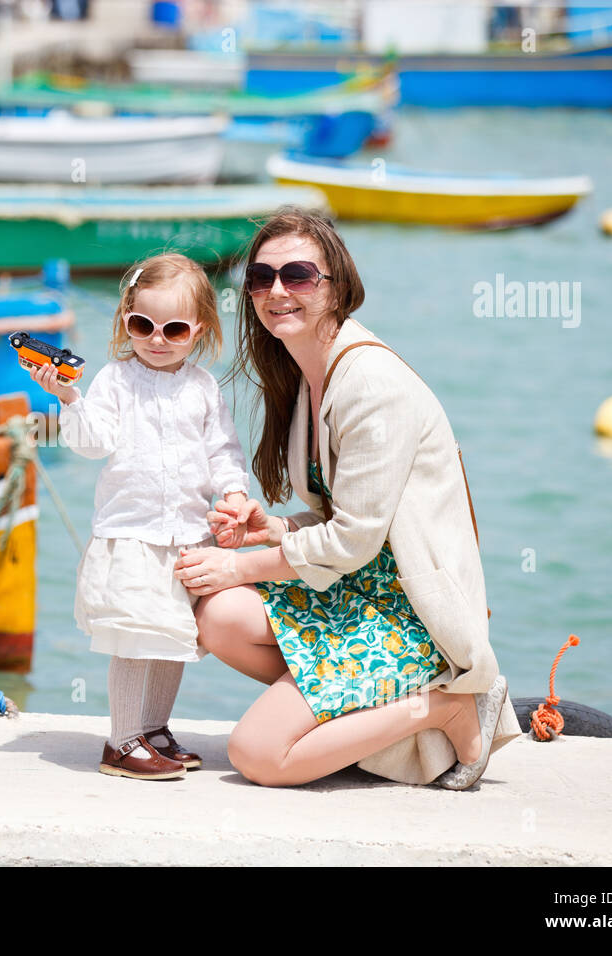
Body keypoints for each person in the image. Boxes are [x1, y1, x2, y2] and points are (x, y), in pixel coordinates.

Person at [173, 207, 521, 789]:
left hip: (406, 615)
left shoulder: (369, 384)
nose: (276, 291)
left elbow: (355, 540)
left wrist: (237, 564)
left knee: (258, 755)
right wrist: (273, 528)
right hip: (358, 592)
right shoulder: (309, 375)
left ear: (337, 288)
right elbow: (346, 519)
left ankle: (446, 706)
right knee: (220, 617)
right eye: (261, 278)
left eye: (298, 276)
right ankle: (362, 721)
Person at [28, 253, 251, 781]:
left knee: (172, 637)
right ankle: (121, 741)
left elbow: (223, 450)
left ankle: (154, 729)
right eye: (142, 325)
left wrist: (235, 493)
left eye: (173, 329)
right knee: (134, 638)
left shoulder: (202, 386)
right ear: (126, 318)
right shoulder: (115, 380)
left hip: (189, 536)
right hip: (131, 535)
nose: (156, 338)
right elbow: (91, 443)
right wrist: (68, 399)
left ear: (199, 329)